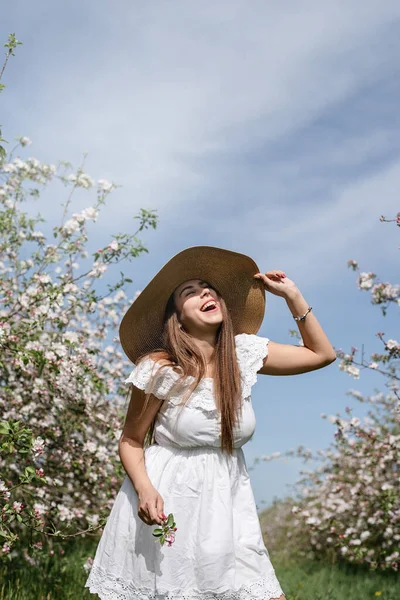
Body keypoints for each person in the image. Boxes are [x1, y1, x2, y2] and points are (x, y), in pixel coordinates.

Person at [85, 245, 336, 600]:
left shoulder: (244, 353)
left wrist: (292, 295)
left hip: (230, 499)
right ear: (177, 316)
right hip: (172, 498)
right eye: (190, 292)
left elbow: (321, 354)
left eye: (208, 288)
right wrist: (144, 489)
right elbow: (131, 440)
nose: (205, 293)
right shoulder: (160, 368)